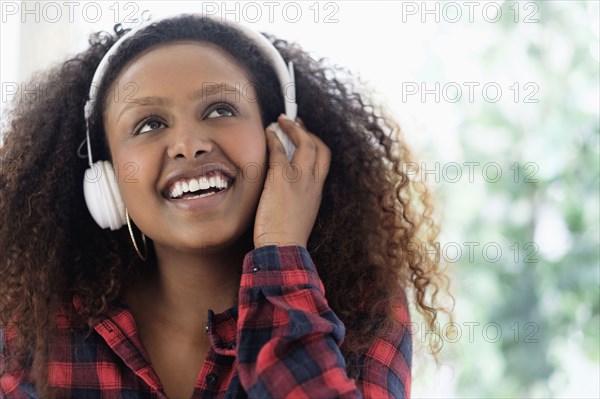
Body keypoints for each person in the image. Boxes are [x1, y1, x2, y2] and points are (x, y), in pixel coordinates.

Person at [0, 14, 449, 399]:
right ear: (107, 177)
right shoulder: (38, 320)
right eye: (149, 123)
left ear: (282, 140)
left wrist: (281, 249)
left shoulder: (361, 305)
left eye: (219, 110)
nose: (189, 145)